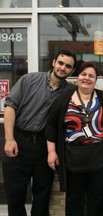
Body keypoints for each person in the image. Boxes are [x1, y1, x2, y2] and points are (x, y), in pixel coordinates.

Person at [2, 49, 77, 216]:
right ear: (54, 62)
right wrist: (9, 139)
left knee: (42, 195)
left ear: (72, 71)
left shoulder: (69, 92)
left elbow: (90, 94)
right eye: (61, 63)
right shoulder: (29, 79)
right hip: (19, 141)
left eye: (68, 66)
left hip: (45, 147)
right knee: (15, 194)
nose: (63, 68)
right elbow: (10, 106)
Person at [45, 61, 103, 216]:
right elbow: (51, 125)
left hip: (99, 158)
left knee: (97, 198)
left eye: (91, 76)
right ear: (77, 76)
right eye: (83, 74)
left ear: (96, 79)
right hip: (73, 159)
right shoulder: (64, 98)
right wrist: (51, 152)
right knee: (74, 199)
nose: (86, 78)